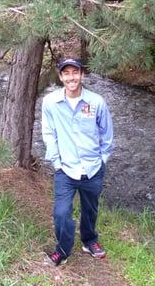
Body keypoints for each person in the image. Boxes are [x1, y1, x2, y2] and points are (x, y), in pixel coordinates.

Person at [41, 58, 114, 267]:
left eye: (75, 72)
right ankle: (63, 250)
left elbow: (106, 134)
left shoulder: (97, 102)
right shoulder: (51, 102)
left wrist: (102, 160)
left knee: (90, 208)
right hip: (65, 169)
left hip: (92, 168)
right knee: (61, 213)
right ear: (61, 77)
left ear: (82, 75)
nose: (71, 77)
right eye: (67, 73)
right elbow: (48, 132)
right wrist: (56, 162)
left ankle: (89, 240)